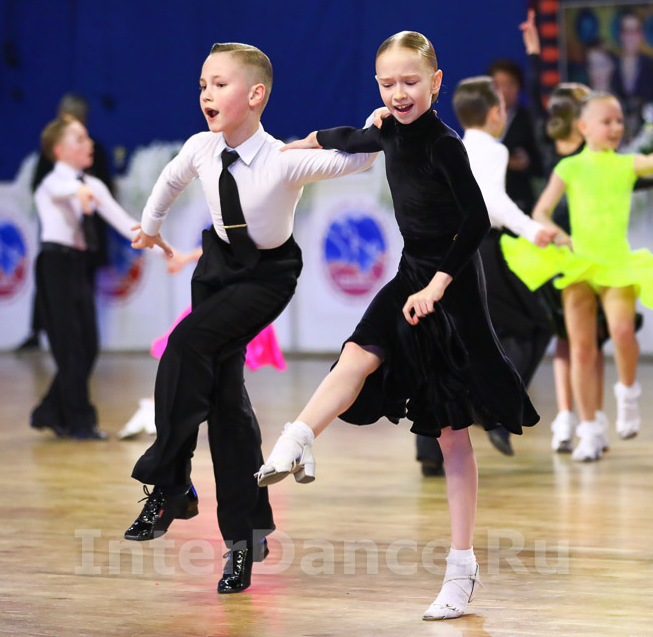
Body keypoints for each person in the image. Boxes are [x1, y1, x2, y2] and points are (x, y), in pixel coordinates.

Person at [256, 31, 539, 621]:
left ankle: (461, 568)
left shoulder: (445, 145)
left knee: (451, 433)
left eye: (411, 82)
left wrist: (438, 286)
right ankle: (298, 438)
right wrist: (304, 142)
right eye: (387, 84)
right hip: (411, 274)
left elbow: (476, 220)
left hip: (452, 290)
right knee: (358, 353)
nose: (398, 93)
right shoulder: (388, 128)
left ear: (437, 82)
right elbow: (353, 137)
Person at [123, 42, 379, 595]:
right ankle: (244, 540)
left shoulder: (284, 160)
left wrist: (364, 125)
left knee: (186, 344)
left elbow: (361, 157)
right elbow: (168, 181)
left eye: (219, 84)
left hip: (266, 277)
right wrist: (151, 228)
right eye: (202, 85)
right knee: (225, 404)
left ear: (256, 95)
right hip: (216, 268)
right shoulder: (200, 147)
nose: (206, 94)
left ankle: (170, 484)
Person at [520, 10, 653, 452]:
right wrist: (556, 233)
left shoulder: (624, 164)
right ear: (582, 126)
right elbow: (541, 210)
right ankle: (586, 427)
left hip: (615, 263)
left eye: (618, 121)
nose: (615, 127)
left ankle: (625, 395)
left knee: (622, 334)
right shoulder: (568, 165)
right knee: (580, 347)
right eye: (606, 121)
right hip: (576, 261)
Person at [415, 77, 557, 469]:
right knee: (535, 325)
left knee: (449, 342)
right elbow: (491, 201)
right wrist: (531, 229)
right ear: (496, 113)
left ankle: (430, 452)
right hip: (478, 249)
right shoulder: (494, 149)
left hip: (442, 249)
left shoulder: (451, 144)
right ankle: (491, 407)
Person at [30, 116, 168, 440]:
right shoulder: (51, 182)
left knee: (88, 346)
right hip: (54, 265)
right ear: (59, 149)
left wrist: (168, 252)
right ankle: (79, 422)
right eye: (79, 139)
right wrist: (77, 189)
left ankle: (49, 411)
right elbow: (61, 189)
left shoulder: (92, 185)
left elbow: (126, 224)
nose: (89, 143)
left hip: (78, 265)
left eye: (87, 137)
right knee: (69, 348)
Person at [118, 245, 286, 439]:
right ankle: (155, 408)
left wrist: (185, 258)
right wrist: (185, 258)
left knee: (211, 360)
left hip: (235, 298)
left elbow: (225, 246)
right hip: (226, 299)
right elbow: (221, 245)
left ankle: (233, 410)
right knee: (194, 358)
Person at [18, 93, 114, 351]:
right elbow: (44, 187)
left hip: (86, 236)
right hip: (57, 241)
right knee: (51, 287)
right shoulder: (50, 158)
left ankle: (84, 337)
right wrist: (73, 193)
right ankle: (41, 332)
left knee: (84, 288)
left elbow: (107, 198)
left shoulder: (95, 153)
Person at [487, 58, 544, 215]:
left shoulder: (530, 120)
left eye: (510, 84)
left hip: (519, 201)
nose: (504, 90)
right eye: (499, 84)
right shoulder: (479, 120)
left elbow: (543, 163)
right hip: (486, 204)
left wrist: (526, 164)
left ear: (519, 86)